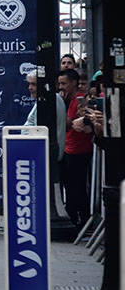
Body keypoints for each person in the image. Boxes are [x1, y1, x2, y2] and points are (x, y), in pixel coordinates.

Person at [58, 68, 93, 228]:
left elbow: (66, 125)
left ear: (74, 83)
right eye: (60, 83)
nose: (61, 87)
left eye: (64, 83)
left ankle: (83, 221)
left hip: (77, 149)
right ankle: (75, 217)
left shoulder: (77, 100)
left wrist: (61, 106)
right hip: (71, 148)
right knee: (72, 187)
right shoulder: (72, 100)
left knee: (77, 187)